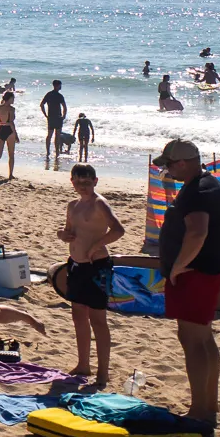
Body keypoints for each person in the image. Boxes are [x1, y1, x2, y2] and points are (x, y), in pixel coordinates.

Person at [151, 139, 220, 428]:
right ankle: (208, 404)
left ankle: (200, 410)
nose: (167, 170)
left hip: (196, 272)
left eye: (169, 165)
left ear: (182, 163)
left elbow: (197, 233)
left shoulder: (199, 190)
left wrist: (179, 266)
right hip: (204, 270)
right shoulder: (207, 184)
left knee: (193, 340)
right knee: (203, 337)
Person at [57, 163, 124, 387]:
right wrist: (62, 235)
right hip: (76, 264)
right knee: (78, 315)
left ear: (95, 181)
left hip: (97, 266)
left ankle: (103, 372)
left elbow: (118, 230)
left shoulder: (99, 204)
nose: (83, 186)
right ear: (72, 182)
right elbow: (69, 231)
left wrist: (97, 244)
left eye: (87, 182)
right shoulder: (72, 205)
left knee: (98, 319)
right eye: (78, 182)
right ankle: (83, 364)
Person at [38, 80, 67, 165]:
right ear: (57, 86)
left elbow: (41, 105)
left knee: (49, 135)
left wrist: (45, 115)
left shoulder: (49, 94)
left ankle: (48, 152)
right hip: (58, 117)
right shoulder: (59, 96)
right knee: (57, 136)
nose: (61, 87)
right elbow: (64, 107)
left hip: (50, 117)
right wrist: (64, 116)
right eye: (60, 85)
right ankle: (57, 153)